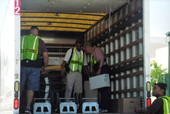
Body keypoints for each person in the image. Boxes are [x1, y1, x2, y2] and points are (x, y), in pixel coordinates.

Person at [21, 26, 49, 114]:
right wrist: (45, 66)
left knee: (18, 87)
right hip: (34, 68)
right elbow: (45, 56)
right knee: (31, 88)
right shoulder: (39, 41)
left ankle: (17, 105)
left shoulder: (22, 39)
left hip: (21, 66)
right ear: (36, 32)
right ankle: (27, 108)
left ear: (30, 32)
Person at [83, 42, 110, 113]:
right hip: (100, 69)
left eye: (86, 50)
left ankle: (105, 107)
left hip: (103, 69)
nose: (86, 52)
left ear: (89, 47)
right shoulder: (92, 53)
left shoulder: (97, 50)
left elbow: (101, 59)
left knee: (104, 89)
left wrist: (99, 69)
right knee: (101, 90)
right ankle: (102, 106)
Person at [61, 39, 88, 106]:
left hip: (79, 73)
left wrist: (88, 74)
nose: (79, 47)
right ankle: (66, 103)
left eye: (80, 46)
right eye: (78, 45)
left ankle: (77, 104)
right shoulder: (71, 51)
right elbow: (64, 61)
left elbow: (85, 65)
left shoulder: (83, 53)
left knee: (79, 90)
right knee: (69, 88)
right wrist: (63, 70)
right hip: (71, 72)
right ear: (75, 45)